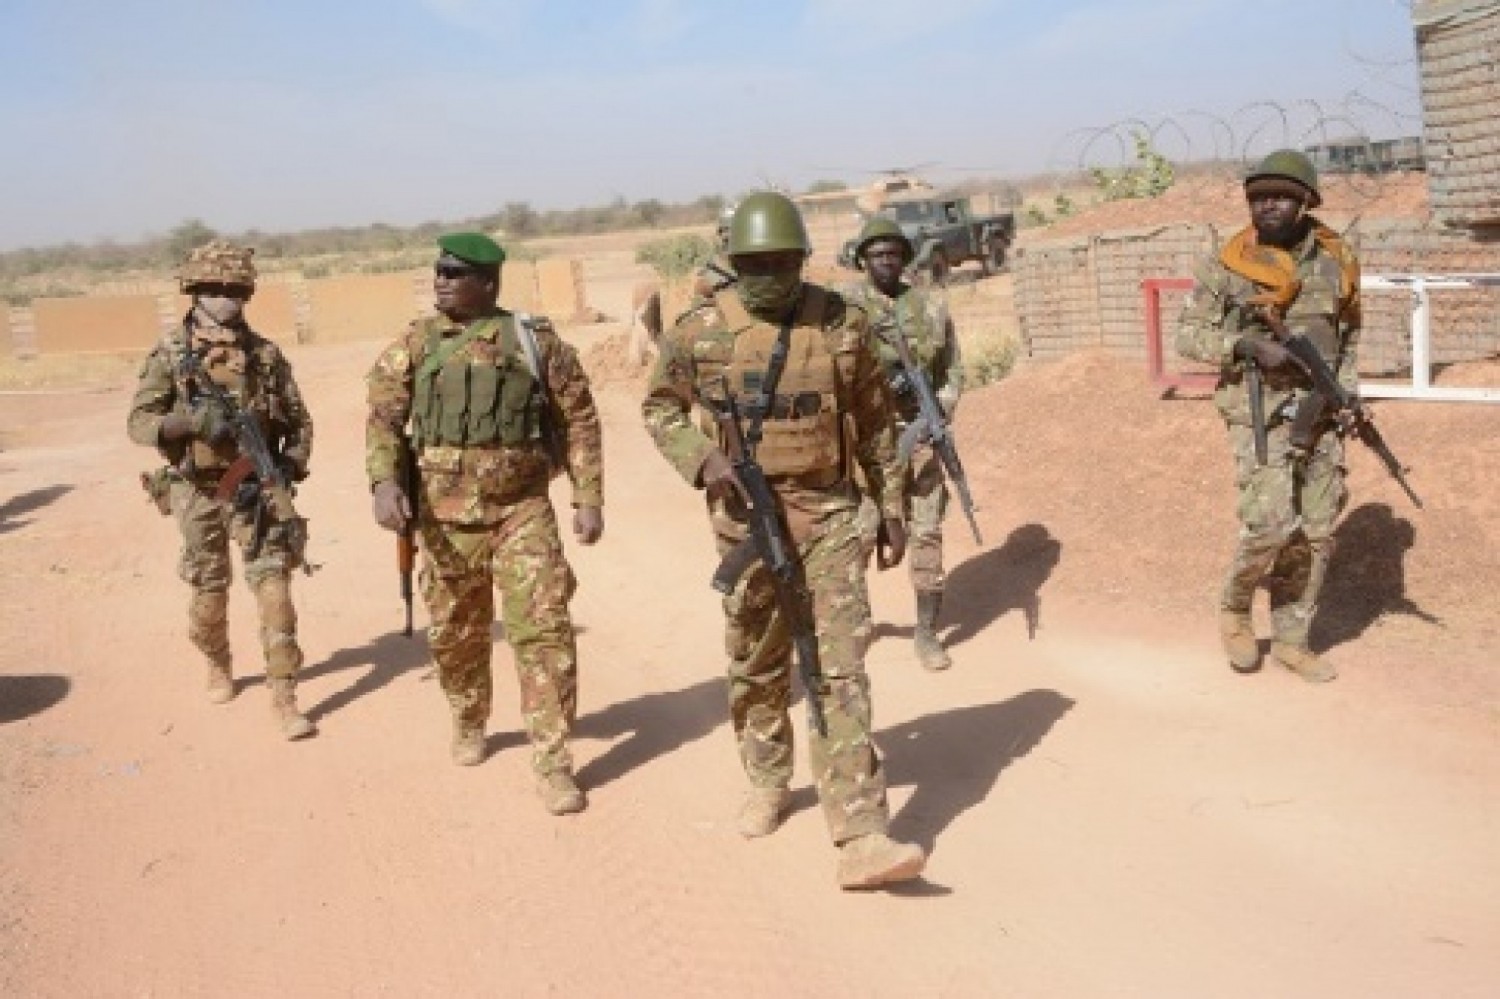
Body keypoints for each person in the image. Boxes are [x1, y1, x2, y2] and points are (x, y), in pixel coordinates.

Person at [642, 191, 927, 889]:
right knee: (759, 658)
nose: (769, 274)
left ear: (802, 258)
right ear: (734, 263)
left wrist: (891, 507)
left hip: (829, 512)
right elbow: (659, 406)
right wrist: (702, 461)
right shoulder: (701, 330)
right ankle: (767, 779)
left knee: (839, 664)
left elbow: (877, 423)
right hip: (745, 518)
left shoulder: (842, 324)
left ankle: (861, 829)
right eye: (754, 263)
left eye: (781, 261)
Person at [365, 232, 604, 815]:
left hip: (522, 510)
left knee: (545, 630)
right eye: (438, 271)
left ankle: (552, 760)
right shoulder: (414, 346)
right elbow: (382, 422)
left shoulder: (533, 342)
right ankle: (468, 717)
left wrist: (588, 495)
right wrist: (385, 484)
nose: (441, 281)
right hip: (444, 522)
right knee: (455, 634)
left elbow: (578, 419)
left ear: (489, 283)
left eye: (455, 273)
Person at [1175, 150, 1363, 682]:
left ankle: (1291, 639)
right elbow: (1189, 336)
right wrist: (1247, 348)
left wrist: (1347, 394)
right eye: (1258, 197)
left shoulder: (1337, 259)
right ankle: (1235, 608)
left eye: (1280, 196)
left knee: (1318, 531)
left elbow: (1348, 335)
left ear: (1306, 201)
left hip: (1321, 409)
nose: (1267, 206)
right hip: (1257, 410)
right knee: (1272, 523)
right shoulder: (1228, 261)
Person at [127, 239, 316, 739]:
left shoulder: (266, 356)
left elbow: (299, 422)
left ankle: (284, 694)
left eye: (236, 289)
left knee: (275, 588)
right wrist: (186, 423)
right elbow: (139, 423)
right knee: (209, 591)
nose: (227, 299)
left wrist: (288, 468)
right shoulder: (171, 354)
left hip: (254, 489)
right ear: (194, 291)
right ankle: (217, 661)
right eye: (215, 289)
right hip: (196, 490)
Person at [840, 217, 964, 671]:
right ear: (863, 260)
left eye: (894, 253)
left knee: (927, 533)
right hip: (868, 446)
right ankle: (852, 624)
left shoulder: (931, 307)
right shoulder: (846, 310)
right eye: (877, 255)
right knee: (858, 534)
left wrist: (941, 412)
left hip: (922, 437)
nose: (887, 262)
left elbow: (951, 370)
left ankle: (928, 633)